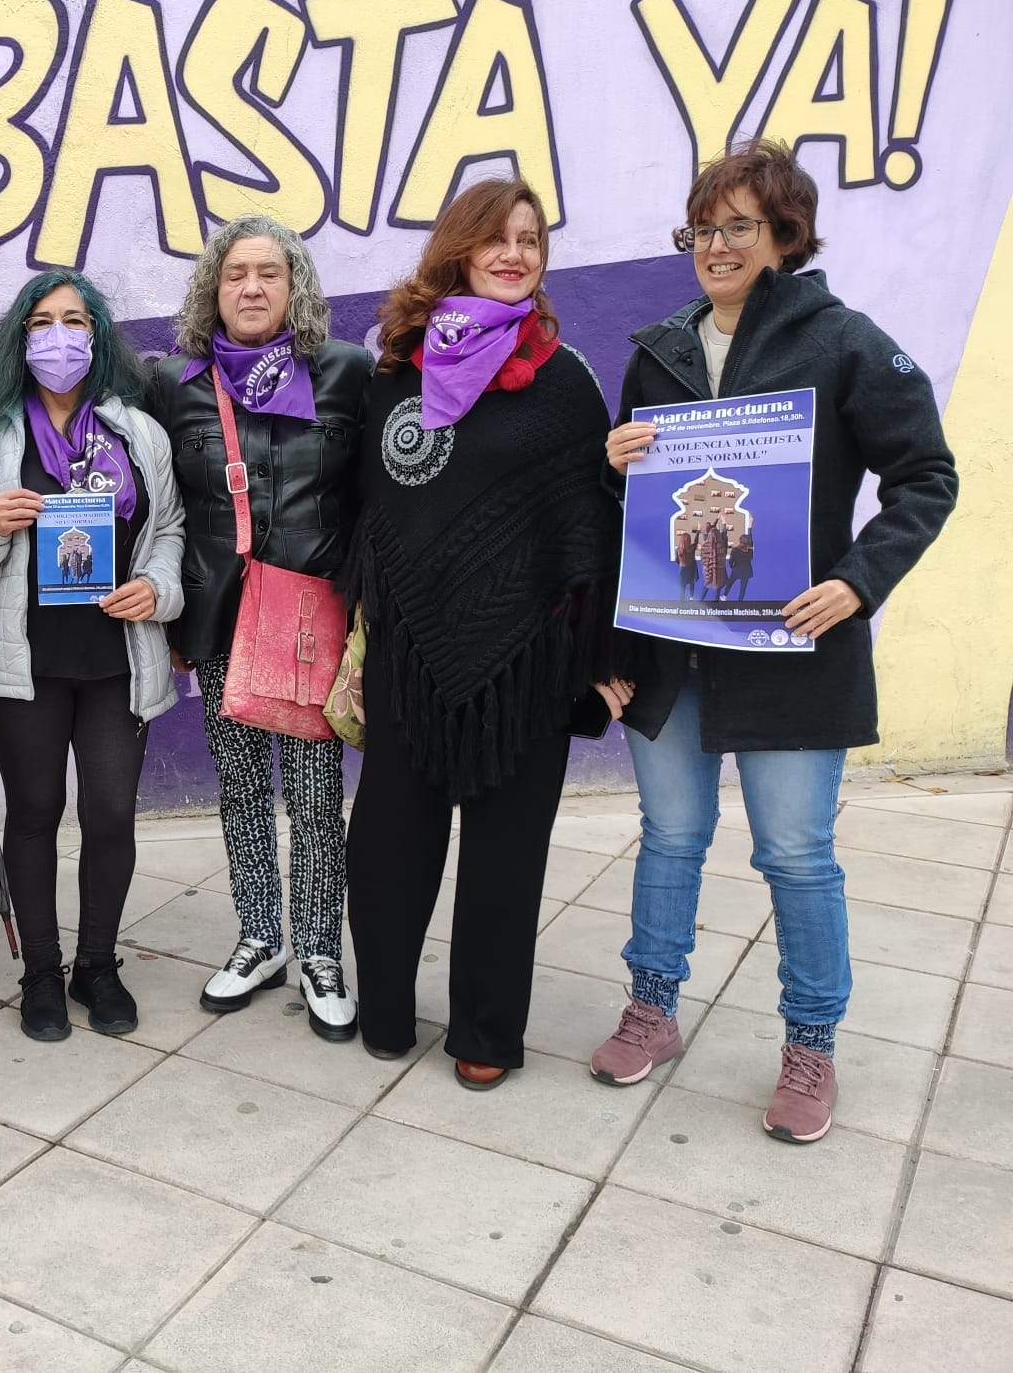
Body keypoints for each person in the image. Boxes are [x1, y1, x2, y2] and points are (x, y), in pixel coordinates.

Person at [593, 139, 957, 1143]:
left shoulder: (840, 341)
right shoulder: (658, 349)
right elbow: (627, 514)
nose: (712, 246)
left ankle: (808, 1045)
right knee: (668, 836)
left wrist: (854, 580)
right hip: (674, 648)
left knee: (793, 854)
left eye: (734, 227)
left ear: (783, 235)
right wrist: (615, 462)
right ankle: (651, 1007)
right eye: (698, 228)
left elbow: (925, 475)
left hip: (793, 647)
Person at [339, 178, 629, 1090]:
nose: (515, 254)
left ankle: (486, 1034)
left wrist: (602, 660)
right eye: (497, 239)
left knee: (507, 861)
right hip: (409, 654)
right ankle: (386, 1009)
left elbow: (593, 524)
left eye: (531, 241)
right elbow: (372, 508)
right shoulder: (397, 370)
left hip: (526, 665)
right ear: (458, 250)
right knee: (388, 846)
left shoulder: (566, 377)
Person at [146, 216, 369, 1042]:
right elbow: (158, 501)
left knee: (314, 797)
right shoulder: (175, 383)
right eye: (235, 274)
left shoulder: (346, 373)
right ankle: (259, 936)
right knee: (238, 788)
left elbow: (375, 496)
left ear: (294, 287)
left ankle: (317, 949)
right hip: (219, 620)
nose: (250, 289)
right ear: (213, 288)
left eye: (268, 274)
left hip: (311, 618)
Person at [0, 270, 185, 1040]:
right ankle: (42, 974)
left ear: (98, 336)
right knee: (36, 812)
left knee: (112, 813)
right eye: (44, 322)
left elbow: (172, 528)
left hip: (118, 653)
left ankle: (97, 964)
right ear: (22, 339)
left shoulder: (135, 430)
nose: (61, 336)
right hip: (24, 660)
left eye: (76, 321)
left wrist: (157, 585)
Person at [727, 532, 754, 601]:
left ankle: (724, 595)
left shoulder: (735, 550)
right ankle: (740, 603)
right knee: (743, 589)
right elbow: (750, 543)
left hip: (736, 571)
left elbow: (730, 562)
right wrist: (750, 528)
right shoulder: (750, 551)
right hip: (746, 572)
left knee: (729, 583)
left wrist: (732, 567)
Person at [677, 527, 699, 600]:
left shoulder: (678, 550)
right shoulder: (692, 548)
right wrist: (698, 530)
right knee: (692, 583)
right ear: (689, 540)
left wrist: (681, 564)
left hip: (682, 569)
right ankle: (691, 597)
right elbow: (696, 542)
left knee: (682, 586)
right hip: (691, 568)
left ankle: (682, 600)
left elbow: (677, 560)